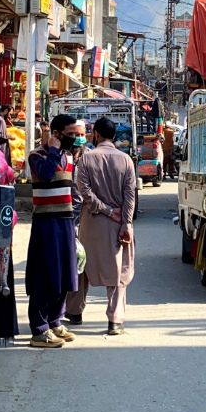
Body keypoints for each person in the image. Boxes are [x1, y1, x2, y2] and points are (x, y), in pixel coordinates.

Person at [67, 117, 138, 335]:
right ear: (114, 135)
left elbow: (84, 193)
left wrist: (104, 209)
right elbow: (130, 196)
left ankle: (75, 312)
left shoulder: (86, 160)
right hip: (118, 225)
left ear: (96, 134)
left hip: (92, 223)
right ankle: (115, 321)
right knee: (117, 271)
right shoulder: (126, 160)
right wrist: (125, 221)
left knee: (83, 267)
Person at [24, 114, 84, 348]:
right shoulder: (37, 155)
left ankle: (55, 320)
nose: (75, 139)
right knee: (45, 274)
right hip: (46, 222)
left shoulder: (68, 157)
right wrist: (52, 149)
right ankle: (39, 329)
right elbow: (47, 175)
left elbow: (71, 191)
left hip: (66, 221)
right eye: (70, 134)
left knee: (65, 273)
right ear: (56, 134)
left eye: (77, 134)